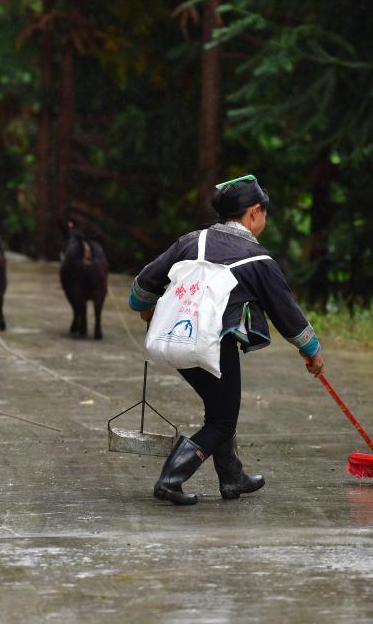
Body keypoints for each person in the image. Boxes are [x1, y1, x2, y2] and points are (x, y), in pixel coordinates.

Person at [128, 175, 324, 505]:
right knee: (222, 420)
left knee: (220, 409)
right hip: (213, 346)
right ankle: (170, 479)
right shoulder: (258, 260)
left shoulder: (192, 241)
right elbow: (287, 313)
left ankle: (232, 478)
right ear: (254, 213)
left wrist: (144, 309)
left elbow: (144, 284)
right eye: (264, 214)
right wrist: (312, 351)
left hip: (174, 340)